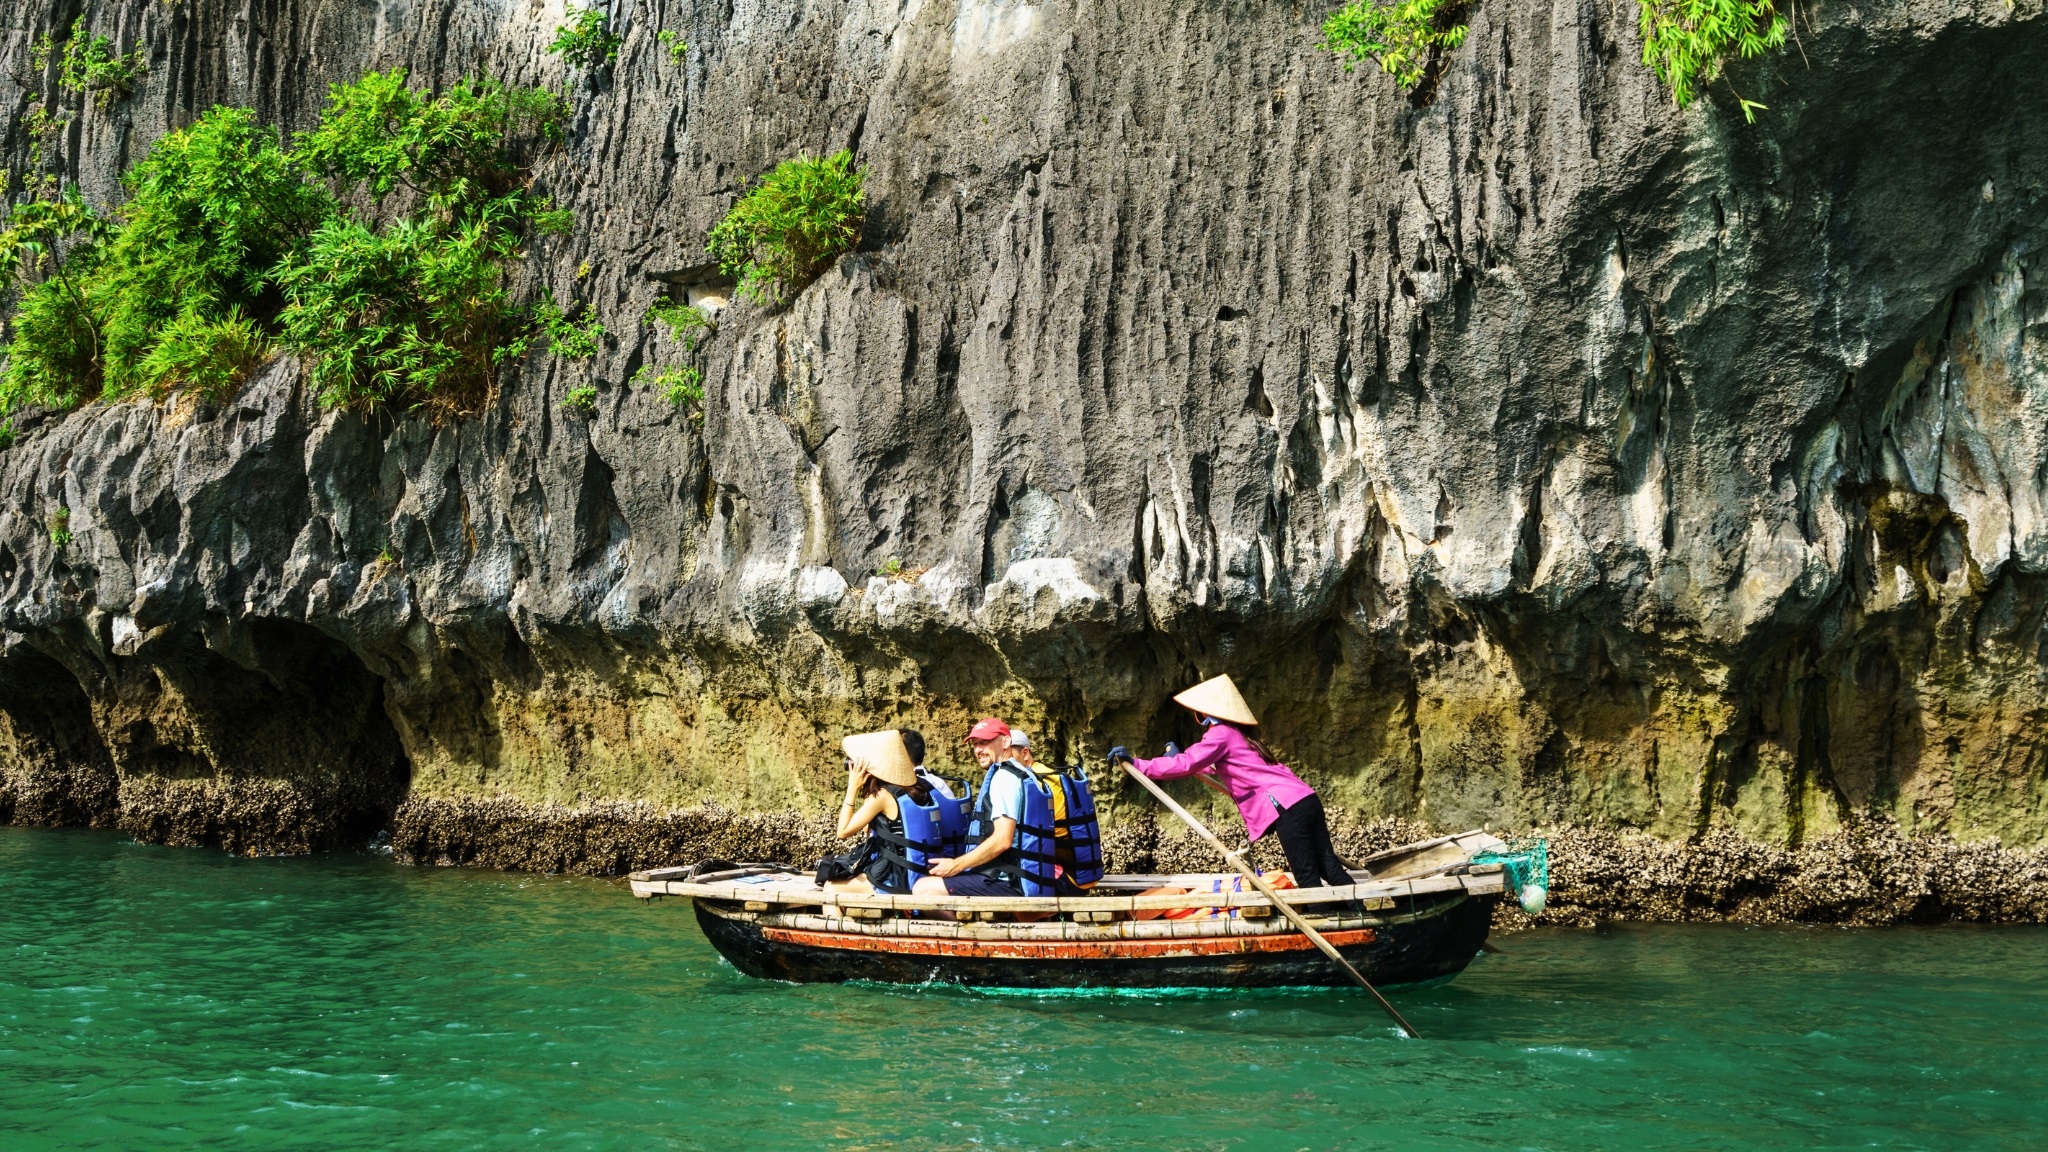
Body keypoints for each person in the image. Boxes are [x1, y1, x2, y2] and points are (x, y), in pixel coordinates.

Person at [1111, 674, 1354, 889]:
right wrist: (1180, 757)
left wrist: (1137, 763)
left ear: (1207, 713)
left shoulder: (1220, 734)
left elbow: (1187, 764)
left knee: (1308, 877)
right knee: (1329, 867)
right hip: (1305, 800)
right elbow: (1214, 764)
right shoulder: (1243, 735)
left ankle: (1324, 924)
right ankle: (1362, 908)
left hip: (1287, 807)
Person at [912, 717, 1029, 897]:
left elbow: (1003, 839)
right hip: (1021, 876)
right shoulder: (1023, 773)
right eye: (975, 744)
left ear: (1005, 742)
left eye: (985, 742)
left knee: (923, 888)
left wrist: (956, 865)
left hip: (1008, 881)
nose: (978, 750)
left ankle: (965, 926)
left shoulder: (1004, 778)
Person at [821, 729, 932, 897]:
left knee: (830, 888)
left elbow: (842, 832)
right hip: (916, 872)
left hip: (895, 879)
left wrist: (852, 788)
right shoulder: (918, 787)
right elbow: (870, 829)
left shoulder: (882, 796)